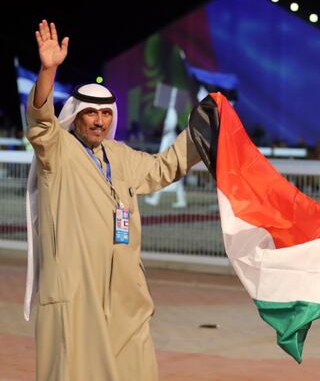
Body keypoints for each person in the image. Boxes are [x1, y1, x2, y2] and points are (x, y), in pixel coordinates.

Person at [24, 20, 200, 380]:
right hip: (78, 291)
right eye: (91, 113)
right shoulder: (59, 153)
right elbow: (41, 123)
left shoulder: (120, 156)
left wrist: (201, 130)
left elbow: (164, 168)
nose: (99, 121)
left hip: (124, 295)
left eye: (106, 114)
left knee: (134, 369)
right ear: (76, 117)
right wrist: (48, 69)